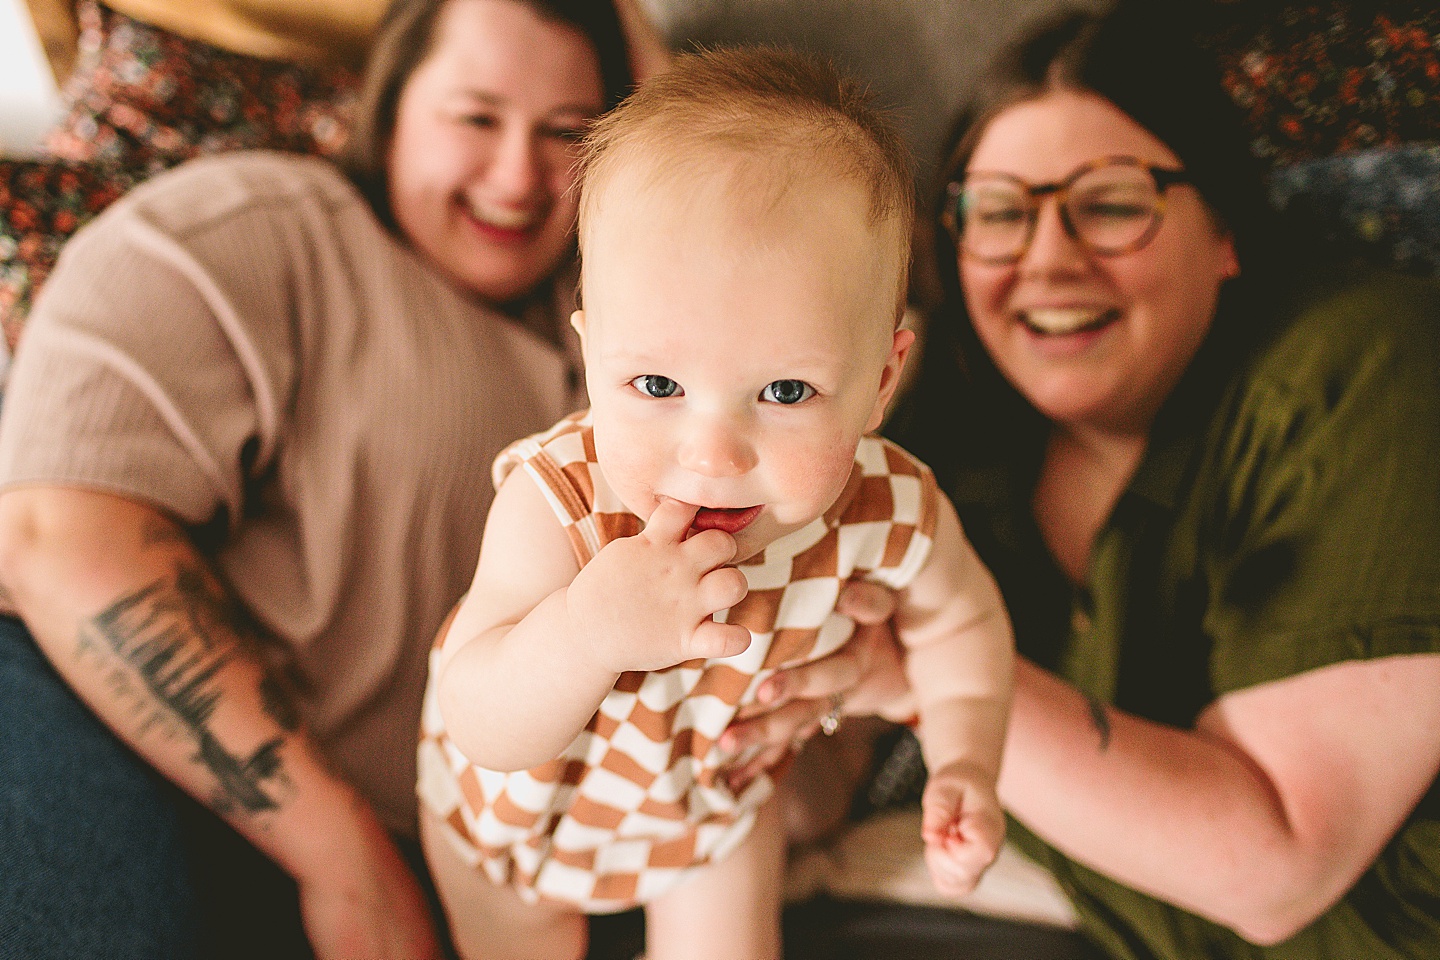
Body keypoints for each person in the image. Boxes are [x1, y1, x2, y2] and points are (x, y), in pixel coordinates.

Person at [725, 4, 1440, 959]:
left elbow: (1280, 869)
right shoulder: (943, 457)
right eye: (999, 213)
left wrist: (929, 680)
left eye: (1110, 204)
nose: (1048, 259)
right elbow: (823, 780)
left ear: (1225, 230)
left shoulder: (1365, 367)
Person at [0, 1, 649, 957]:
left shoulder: (631, 334)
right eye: (475, 118)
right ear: (387, 114)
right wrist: (344, 860)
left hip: (470, 848)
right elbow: (59, 534)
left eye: (566, 134)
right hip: (129, 745)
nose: (519, 176)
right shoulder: (259, 230)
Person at [418, 47, 1015, 960]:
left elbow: (964, 629)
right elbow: (480, 717)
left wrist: (968, 757)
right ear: (591, 357)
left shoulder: (891, 510)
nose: (712, 456)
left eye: (784, 393)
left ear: (882, 381)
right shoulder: (562, 503)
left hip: (714, 810)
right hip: (517, 822)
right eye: (656, 383)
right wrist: (587, 630)